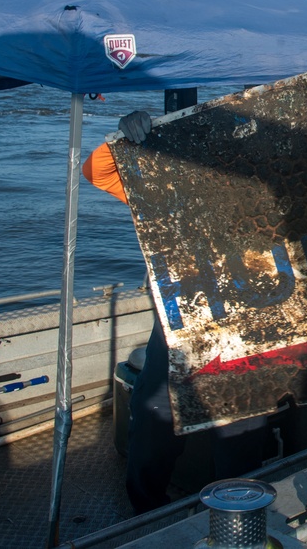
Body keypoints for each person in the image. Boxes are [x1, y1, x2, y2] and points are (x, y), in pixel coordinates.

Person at [82, 111, 268, 514]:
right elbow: (98, 169)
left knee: (241, 440)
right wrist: (128, 135)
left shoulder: (265, 194)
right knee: (152, 426)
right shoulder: (166, 187)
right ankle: (144, 514)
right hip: (174, 335)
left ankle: (237, 518)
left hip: (243, 337)